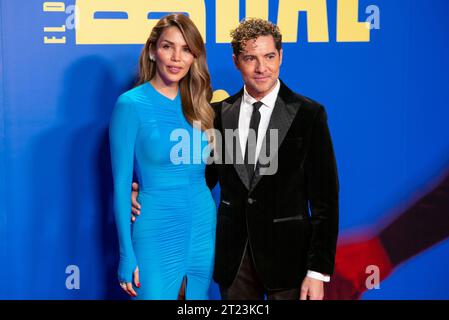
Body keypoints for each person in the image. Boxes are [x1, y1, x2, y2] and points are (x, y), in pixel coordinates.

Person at [132, 18, 339, 300]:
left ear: (281, 56)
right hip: (234, 261)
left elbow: (326, 200)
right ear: (236, 61)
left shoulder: (308, 114)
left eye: (269, 56)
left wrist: (318, 271)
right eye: (250, 58)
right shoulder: (216, 114)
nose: (261, 67)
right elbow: (197, 179)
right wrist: (147, 191)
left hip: (290, 263)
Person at [109, 13, 216, 300]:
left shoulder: (200, 104)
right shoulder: (130, 105)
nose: (176, 57)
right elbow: (121, 185)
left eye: (186, 49)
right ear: (153, 51)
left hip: (202, 224)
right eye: (168, 46)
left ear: (195, 57)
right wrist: (126, 254)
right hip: (155, 226)